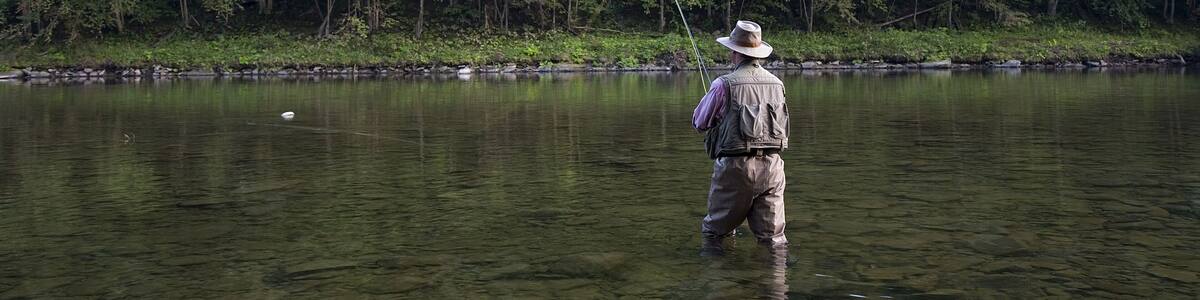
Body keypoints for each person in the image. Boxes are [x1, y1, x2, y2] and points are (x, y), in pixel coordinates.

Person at [692, 20, 789, 256]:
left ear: (734, 52)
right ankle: (775, 284)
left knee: (716, 233)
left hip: (735, 168)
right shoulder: (777, 84)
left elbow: (699, 123)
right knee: (773, 239)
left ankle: (722, 280)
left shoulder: (723, 84)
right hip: (773, 167)